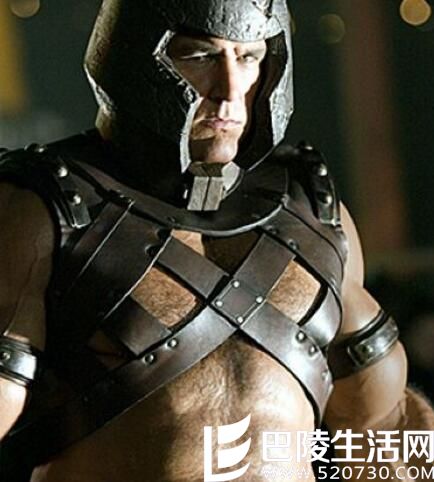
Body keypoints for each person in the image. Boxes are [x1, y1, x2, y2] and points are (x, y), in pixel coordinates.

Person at [0, 1, 432, 481]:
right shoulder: (40, 212)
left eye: (248, 57)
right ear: (131, 57)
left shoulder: (312, 211)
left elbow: (382, 427)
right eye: (200, 56)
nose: (230, 90)